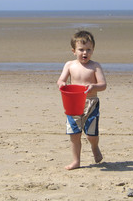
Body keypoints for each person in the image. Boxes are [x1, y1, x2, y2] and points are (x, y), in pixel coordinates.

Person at [57, 30, 107, 170]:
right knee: (74, 133)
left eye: (88, 49)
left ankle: (94, 146)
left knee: (91, 133)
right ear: (74, 51)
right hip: (72, 104)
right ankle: (76, 161)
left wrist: (94, 86)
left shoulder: (95, 66)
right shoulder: (69, 65)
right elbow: (61, 80)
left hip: (91, 103)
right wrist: (61, 84)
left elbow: (103, 85)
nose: (85, 53)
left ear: (93, 50)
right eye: (81, 50)